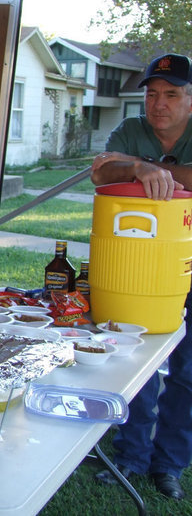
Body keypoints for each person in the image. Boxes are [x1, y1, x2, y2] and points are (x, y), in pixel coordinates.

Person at [91, 52, 192, 500]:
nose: (159, 104)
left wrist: (156, 169)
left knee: (187, 373)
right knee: (137, 362)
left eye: (172, 94)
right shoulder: (130, 130)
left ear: (190, 100)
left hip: (184, 266)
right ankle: (130, 456)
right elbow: (101, 172)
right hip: (137, 267)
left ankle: (168, 464)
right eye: (152, 94)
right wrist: (135, 166)